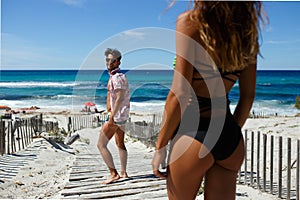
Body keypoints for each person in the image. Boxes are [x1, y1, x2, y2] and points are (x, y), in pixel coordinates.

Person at [152, 1, 267, 199]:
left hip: (194, 133)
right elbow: (247, 97)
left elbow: (180, 93)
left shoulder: (191, 22)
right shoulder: (248, 33)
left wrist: (160, 146)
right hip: (229, 135)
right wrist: (229, 131)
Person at [97, 48, 130, 184]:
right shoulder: (116, 76)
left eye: (112, 60)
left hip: (116, 116)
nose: (109, 62)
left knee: (101, 144)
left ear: (118, 62)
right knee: (120, 143)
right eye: (107, 60)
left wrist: (112, 116)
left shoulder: (117, 78)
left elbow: (119, 98)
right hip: (121, 116)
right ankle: (123, 172)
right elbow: (112, 96)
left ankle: (114, 173)